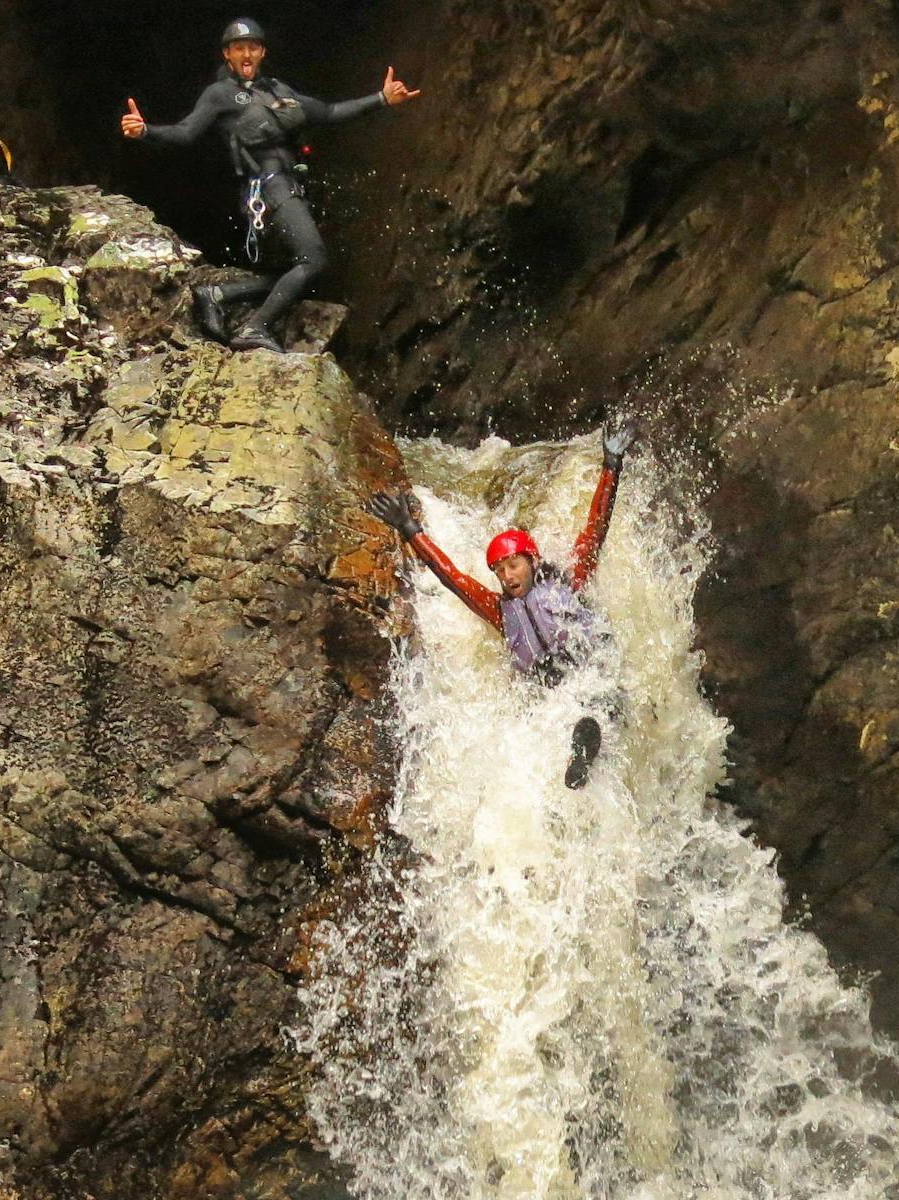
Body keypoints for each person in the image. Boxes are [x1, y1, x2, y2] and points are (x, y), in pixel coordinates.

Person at [119, 17, 420, 353]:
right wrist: (146, 131)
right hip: (267, 188)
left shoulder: (280, 91)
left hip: (289, 186)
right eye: (238, 48)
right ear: (227, 55)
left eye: (252, 47)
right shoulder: (220, 95)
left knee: (299, 271)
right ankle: (255, 327)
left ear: (262, 52)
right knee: (314, 260)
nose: (246, 53)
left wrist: (381, 98)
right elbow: (186, 132)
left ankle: (217, 295)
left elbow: (330, 112)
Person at [366, 422, 638, 788]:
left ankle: (586, 747)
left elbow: (596, 529)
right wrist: (409, 529)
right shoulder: (499, 610)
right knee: (556, 726)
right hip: (550, 691)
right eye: (499, 570)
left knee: (594, 713)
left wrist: (611, 465)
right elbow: (452, 578)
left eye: (513, 565)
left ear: (532, 561)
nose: (507, 576)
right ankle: (572, 767)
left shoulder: (568, 583)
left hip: (593, 673)